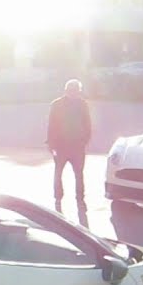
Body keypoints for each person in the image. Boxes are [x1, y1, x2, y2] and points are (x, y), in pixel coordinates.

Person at [46, 79, 92, 216]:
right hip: (61, 146)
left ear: (79, 91)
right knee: (58, 173)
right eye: (72, 90)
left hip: (77, 146)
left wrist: (84, 141)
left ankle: (80, 199)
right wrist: (50, 143)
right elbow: (51, 125)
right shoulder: (56, 104)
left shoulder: (83, 104)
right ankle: (58, 198)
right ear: (66, 91)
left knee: (79, 174)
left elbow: (87, 124)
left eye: (76, 90)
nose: (74, 93)